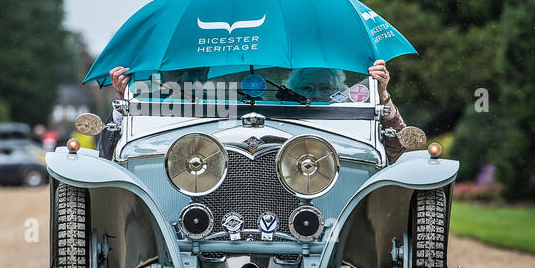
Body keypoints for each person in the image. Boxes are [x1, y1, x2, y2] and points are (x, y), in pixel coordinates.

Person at [106, 59, 407, 163]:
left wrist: (382, 96)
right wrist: (124, 99)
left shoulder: (348, 112)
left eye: (324, 89)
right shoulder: (220, 108)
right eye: (306, 90)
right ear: (291, 92)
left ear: (337, 90)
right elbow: (111, 154)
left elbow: (398, 153)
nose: (316, 96)